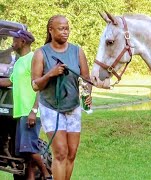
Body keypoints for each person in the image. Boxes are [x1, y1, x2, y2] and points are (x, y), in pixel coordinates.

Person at [31, 15, 92, 180]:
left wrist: (88, 95)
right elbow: (35, 85)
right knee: (60, 152)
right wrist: (50, 74)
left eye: (67, 28)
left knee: (71, 154)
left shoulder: (77, 51)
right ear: (51, 30)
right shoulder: (41, 53)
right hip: (51, 107)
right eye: (61, 28)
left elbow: (86, 79)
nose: (65, 32)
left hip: (73, 107)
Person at [0, 29, 51, 179]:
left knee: (30, 149)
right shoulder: (18, 62)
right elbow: (10, 81)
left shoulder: (33, 59)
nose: (12, 43)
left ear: (23, 42)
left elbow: (41, 86)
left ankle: (47, 173)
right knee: (24, 151)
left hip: (30, 112)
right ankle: (30, 177)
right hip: (21, 112)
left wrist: (34, 111)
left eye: (15, 40)